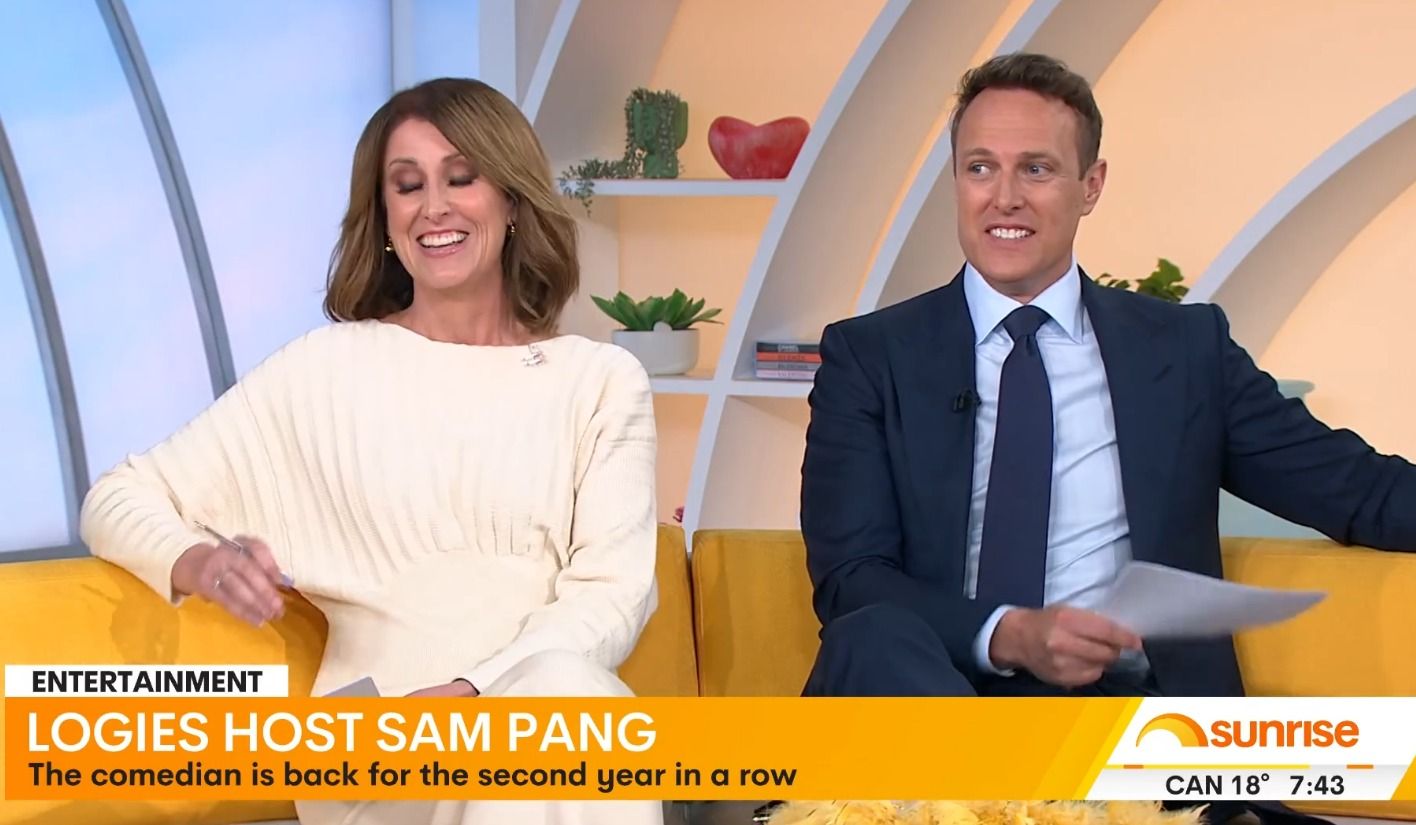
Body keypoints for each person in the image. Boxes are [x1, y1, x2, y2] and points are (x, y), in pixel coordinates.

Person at [798, 51, 1416, 820]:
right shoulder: (871, 355)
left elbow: (1358, 489)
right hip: (939, 697)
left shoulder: (1183, 351)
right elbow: (850, 578)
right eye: (981, 167)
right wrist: (1011, 634)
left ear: (1090, 186)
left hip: (1121, 724)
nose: (1004, 197)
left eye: (1037, 169)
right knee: (868, 638)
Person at [80, 77, 663, 825]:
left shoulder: (601, 381)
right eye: (408, 186)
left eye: (462, 178)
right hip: (379, 754)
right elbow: (118, 495)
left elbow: (613, 593)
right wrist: (200, 561)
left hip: (534, 724)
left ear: (513, 202)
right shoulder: (324, 370)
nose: (434, 206)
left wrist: (473, 693)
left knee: (565, 698)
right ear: (385, 219)